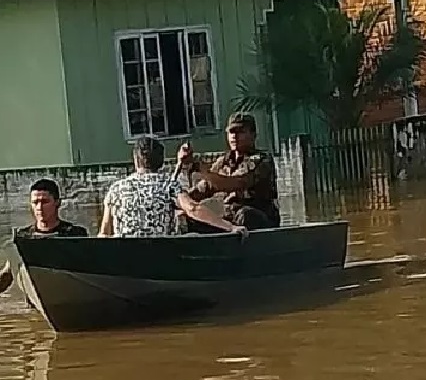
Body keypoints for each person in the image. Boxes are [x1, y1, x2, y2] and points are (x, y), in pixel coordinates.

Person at [98, 136, 247, 238]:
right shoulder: (168, 184)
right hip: (161, 253)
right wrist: (230, 227)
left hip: (125, 254)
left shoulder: (115, 189)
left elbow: (104, 234)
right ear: (161, 162)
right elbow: (193, 209)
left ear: (136, 160)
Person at [179, 112, 281, 232]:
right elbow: (202, 189)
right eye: (231, 132)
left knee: (245, 214)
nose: (234, 136)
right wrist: (183, 201)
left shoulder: (262, 160)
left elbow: (236, 184)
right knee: (190, 219)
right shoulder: (223, 162)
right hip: (231, 220)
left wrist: (202, 170)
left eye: (240, 132)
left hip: (260, 221)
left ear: (253, 135)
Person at [0, 179, 88, 294]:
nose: (39, 207)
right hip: (36, 303)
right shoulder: (23, 237)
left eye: (45, 201)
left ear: (57, 203)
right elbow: (8, 274)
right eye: (35, 202)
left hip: (68, 295)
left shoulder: (75, 234)